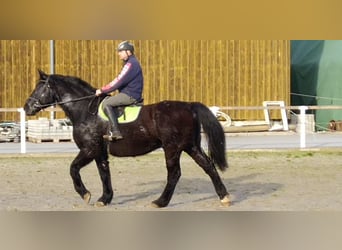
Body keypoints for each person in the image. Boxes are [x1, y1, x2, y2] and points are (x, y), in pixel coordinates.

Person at [96, 41, 144, 141]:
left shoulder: (131, 64)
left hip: (130, 94)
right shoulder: (130, 63)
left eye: (121, 51)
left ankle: (115, 131)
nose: (119, 54)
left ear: (128, 52)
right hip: (128, 93)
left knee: (106, 104)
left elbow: (118, 81)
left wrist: (102, 90)